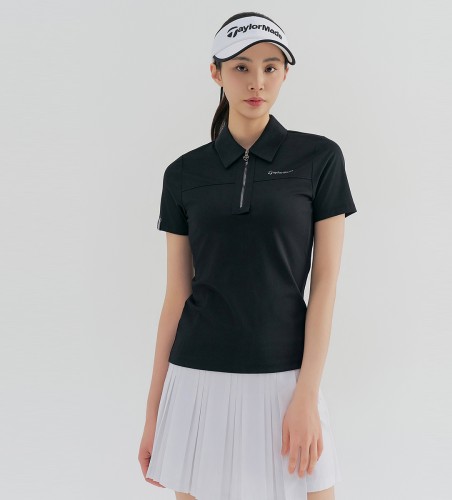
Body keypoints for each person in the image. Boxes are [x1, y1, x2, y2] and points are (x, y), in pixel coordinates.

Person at [138, 11, 357, 500]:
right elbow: (176, 295)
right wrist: (155, 413)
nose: (257, 81)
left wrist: (306, 395)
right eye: (240, 67)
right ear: (216, 73)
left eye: (270, 67)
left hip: (286, 377)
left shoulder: (319, 159)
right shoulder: (183, 174)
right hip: (196, 378)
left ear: (285, 73)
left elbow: (324, 286)